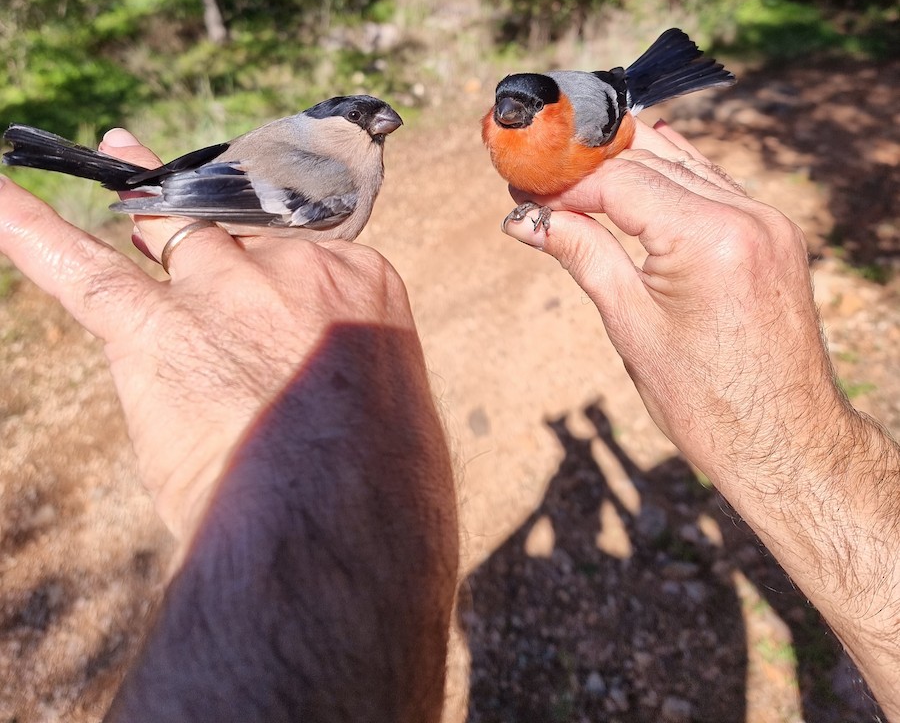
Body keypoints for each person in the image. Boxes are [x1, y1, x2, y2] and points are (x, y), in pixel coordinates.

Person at [0, 121, 897, 720]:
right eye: (366, 119)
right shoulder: (326, 164)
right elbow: (234, 193)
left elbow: (219, 180)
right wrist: (170, 197)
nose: (377, 136)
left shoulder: (307, 145)